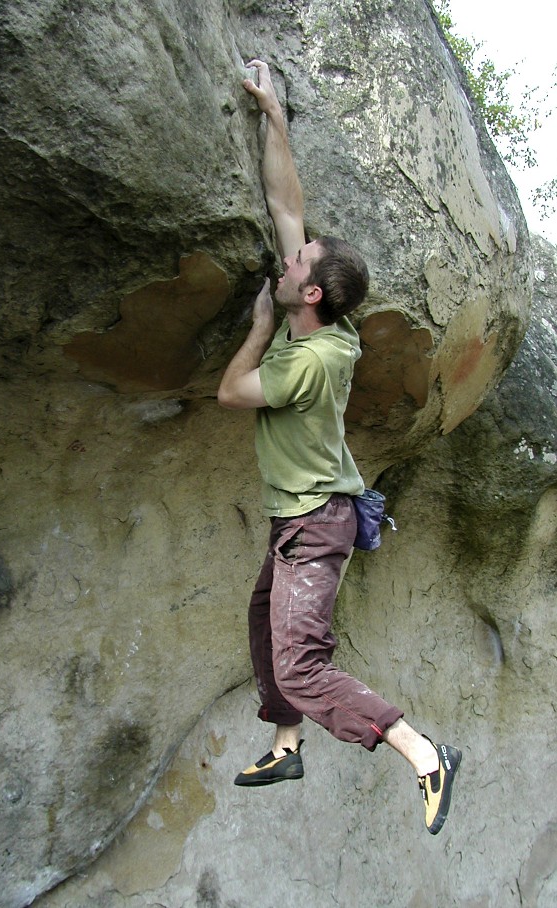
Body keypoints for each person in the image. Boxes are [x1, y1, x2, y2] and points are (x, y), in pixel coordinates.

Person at [217, 59, 460, 835]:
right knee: (267, 623)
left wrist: (256, 329)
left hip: (313, 523)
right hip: (305, 513)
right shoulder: (331, 319)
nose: (283, 259)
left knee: (301, 659)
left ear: (308, 294)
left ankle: (418, 748)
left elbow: (231, 394)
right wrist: (273, 113)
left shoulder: (308, 359)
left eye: (292, 267)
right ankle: (287, 744)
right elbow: (286, 206)